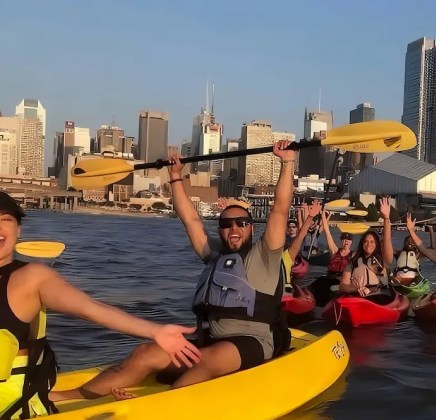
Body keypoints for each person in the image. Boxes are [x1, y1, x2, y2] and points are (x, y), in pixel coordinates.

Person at [52, 140, 296, 402]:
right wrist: (176, 176)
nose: (233, 228)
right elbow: (190, 219)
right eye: (226, 224)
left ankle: (161, 407)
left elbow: (280, 209)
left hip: (252, 341)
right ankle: (64, 398)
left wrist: (287, 162)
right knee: (146, 353)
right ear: (220, 229)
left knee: (208, 360)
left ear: (251, 227)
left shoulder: (265, 254)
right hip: (208, 339)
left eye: (241, 222)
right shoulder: (213, 255)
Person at [0, 191, 199, 420]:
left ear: (18, 231)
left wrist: (154, 331)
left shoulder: (32, 278)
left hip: (12, 409)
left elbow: (89, 308)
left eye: (6, 220)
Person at [337, 197, 395, 303]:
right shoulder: (353, 261)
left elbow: (387, 240)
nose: (369, 245)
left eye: (372, 242)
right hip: (359, 298)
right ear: (361, 244)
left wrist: (386, 218)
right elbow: (342, 286)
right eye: (366, 242)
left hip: (380, 298)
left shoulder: (383, 260)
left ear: (377, 244)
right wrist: (356, 289)